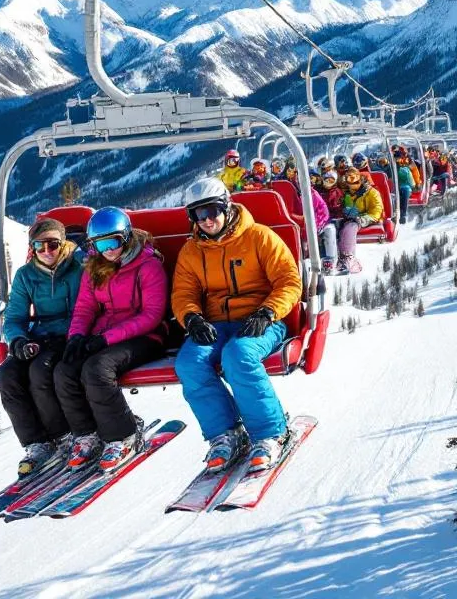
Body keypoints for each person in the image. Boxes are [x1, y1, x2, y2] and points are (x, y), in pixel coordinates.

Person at [172, 178, 302, 472]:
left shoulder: (260, 237)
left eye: (212, 211)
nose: (206, 220)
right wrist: (191, 317)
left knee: (238, 356)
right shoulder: (191, 251)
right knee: (190, 363)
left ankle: (271, 433)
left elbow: (289, 282)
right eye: (197, 215)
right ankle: (225, 433)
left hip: (260, 321)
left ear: (227, 206)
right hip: (215, 323)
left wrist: (267, 312)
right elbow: (184, 293)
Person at [55, 207, 167, 472]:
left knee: (97, 369)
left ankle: (123, 435)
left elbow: (151, 315)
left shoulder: (148, 265)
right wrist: (77, 337)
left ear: (126, 237)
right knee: (65, 370)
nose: (108, 250)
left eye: (113, 241)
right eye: (99, 244)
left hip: (147, 336)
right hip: (104, 336)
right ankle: (86, 435)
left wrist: (105, 340)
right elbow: (85, 308)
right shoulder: (94, 268)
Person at [0, 217, 84, 476]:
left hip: (69, 334)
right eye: (39, 246)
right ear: (32, 248)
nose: (47, 252)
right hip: (39, 336)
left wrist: (75, 334)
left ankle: (63, 436)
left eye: (53, 244)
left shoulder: (76, 270)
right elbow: (14, 317)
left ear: (63, 244)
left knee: (40, 372)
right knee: (8, 375)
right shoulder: (26, 275)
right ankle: (36, 443)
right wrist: (18, 340)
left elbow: (85, 309)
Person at [335, 168, 383, 274]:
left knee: (350, 227)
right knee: (337, 228)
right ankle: (339, 259)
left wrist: (362, 219)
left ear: (360, 178)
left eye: (354, 178)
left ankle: (349, 257)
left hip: (366, 218)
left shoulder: (371, 192)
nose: (351, 182)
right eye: (348, 178)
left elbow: (377, 211)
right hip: (350, 219)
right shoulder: (346, 194)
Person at [316, 170, 343, 273]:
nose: (328, 183)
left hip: (330, 220)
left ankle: (330, 259)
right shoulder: (317, 190)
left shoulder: (336, 193)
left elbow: (338, 208)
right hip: (317, 219)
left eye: (331, 181)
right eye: (327, 180)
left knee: (329, 231)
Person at [394, 150, 415, 225]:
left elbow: (410, 180)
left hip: (402, 186)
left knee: (404, 194)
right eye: (396, 158)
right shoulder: (393, 167)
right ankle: (399, 214)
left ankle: (403, 215)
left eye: (398, 158)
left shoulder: (404, 168)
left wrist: (413, 185)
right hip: (395, 186)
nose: (397, 159)